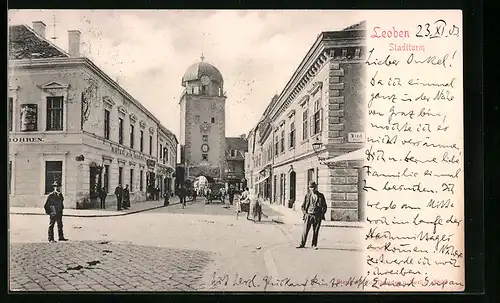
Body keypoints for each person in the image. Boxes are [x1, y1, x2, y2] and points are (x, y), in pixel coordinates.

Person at [297, 181, 328, 250]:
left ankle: (314, 245)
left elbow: (325, 206)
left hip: (317, 216)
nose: (312, 189)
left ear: (316, 188)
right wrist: (305, 214)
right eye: (311, 187)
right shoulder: (307, 196)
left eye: (314, 187)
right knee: (305, 230)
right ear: (309, 188)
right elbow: (302, 206)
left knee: (315, 231)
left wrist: (321, 214)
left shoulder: (321, 196)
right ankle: (302, 244)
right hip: (309, 215)